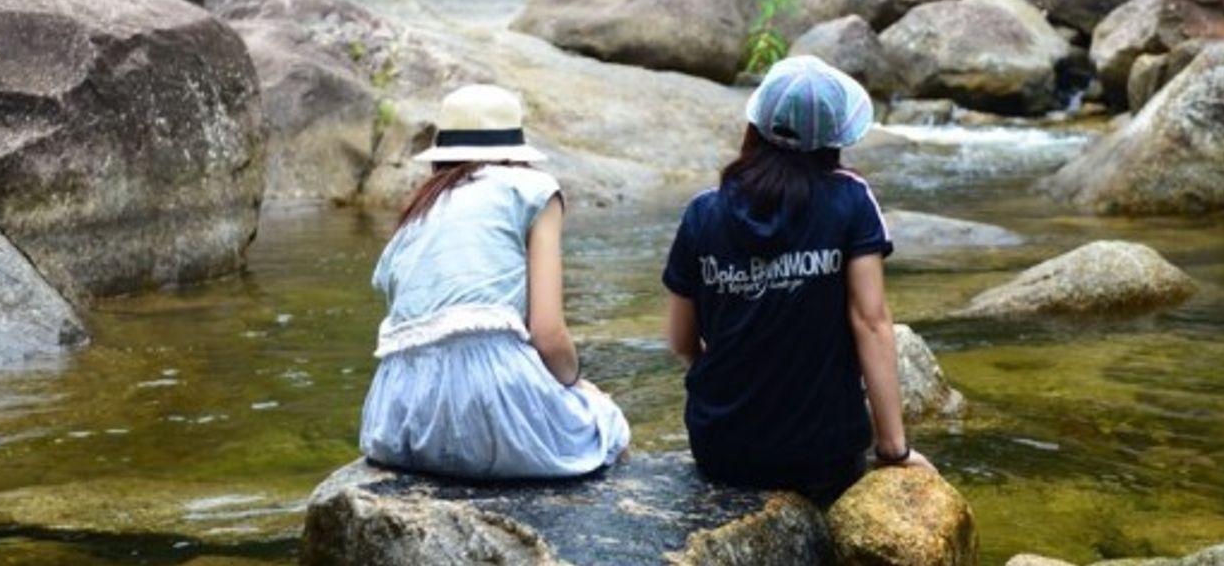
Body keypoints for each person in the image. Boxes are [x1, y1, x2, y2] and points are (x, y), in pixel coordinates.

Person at [662, 55, 934, 502]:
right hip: (822, 456)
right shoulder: (851, 200)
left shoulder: (703, 213)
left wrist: (732, 378)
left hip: (721, 449)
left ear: (755, 126)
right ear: (832, 138)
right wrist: (893, 449)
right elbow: (871, 322)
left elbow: (680, 341)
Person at [359, 83, 630, 479]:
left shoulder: (418, 211)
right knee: (607, 426)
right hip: (490, 406)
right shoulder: (533, 190)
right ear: (512, 153)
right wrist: (575, 385)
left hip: (397, 421)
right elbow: (549, 335)